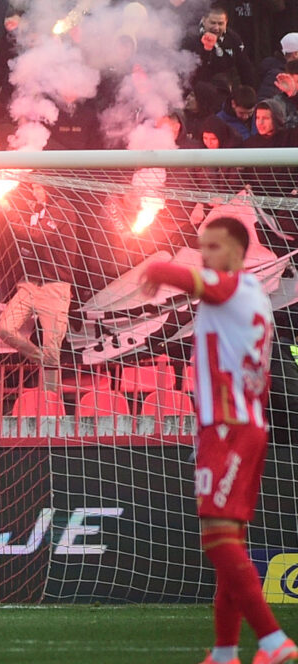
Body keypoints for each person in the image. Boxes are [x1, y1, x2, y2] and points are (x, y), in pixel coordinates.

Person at [143, 213, 292, 664]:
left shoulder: (236, 287)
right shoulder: (255, 298)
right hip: (243, 423)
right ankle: (225, 653)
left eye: (211, 247)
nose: (204, 255)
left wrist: (155, 268)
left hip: (227, 427)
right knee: (229, 542)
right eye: (200, 247)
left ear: (234, 250)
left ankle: (272, 641)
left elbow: (190, 279)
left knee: (217, 537)